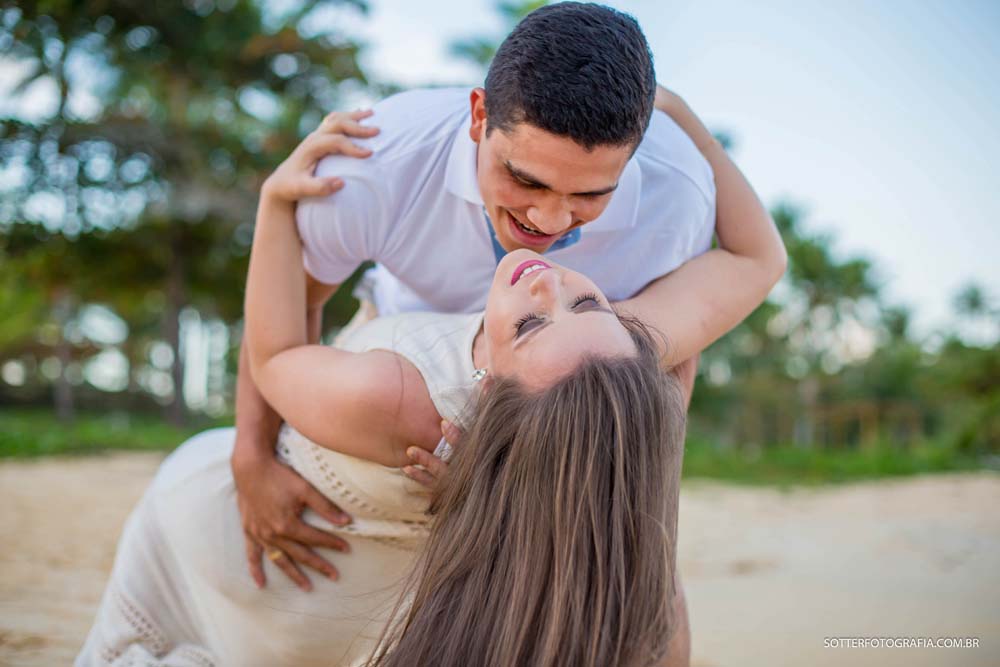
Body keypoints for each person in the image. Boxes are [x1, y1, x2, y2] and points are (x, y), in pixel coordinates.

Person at [76, 73, 785, 663]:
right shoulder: (603, 354)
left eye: (534, 322)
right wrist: (689, 123)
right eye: (592, 303)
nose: (550, 269)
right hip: (256, 534)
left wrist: (273, 205)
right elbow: (759, 258)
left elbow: (276, 354)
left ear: (494, 396)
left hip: (281, 541)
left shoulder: (404, 395)